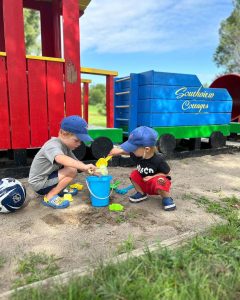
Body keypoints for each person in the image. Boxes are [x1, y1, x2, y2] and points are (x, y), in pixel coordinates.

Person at [28, 115, 97, 209]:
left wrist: (90, 170)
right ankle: (49, 197)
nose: (79, 144)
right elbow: (60, 158)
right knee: (71, 170)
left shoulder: (66, 147)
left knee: (73, 167)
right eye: (76, 140)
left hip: (48, 178)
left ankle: (58, 190)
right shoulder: (53, 145)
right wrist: (83, 167)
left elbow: (77, 162)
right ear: (63, 133)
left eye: (80, 141)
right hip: (40, 184)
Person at [109, 126, 176, 211]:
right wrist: (118, 152)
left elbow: (167, 173)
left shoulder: (158, 159)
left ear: (147, 149)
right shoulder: (138, 154)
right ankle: (141, 193)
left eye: (133, 148)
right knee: (134, 174)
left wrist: (153, 177)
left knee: (160, 180)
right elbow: (128, 152)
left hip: (156, 184)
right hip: (145, 182)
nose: (131, 150)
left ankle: (166, 198)